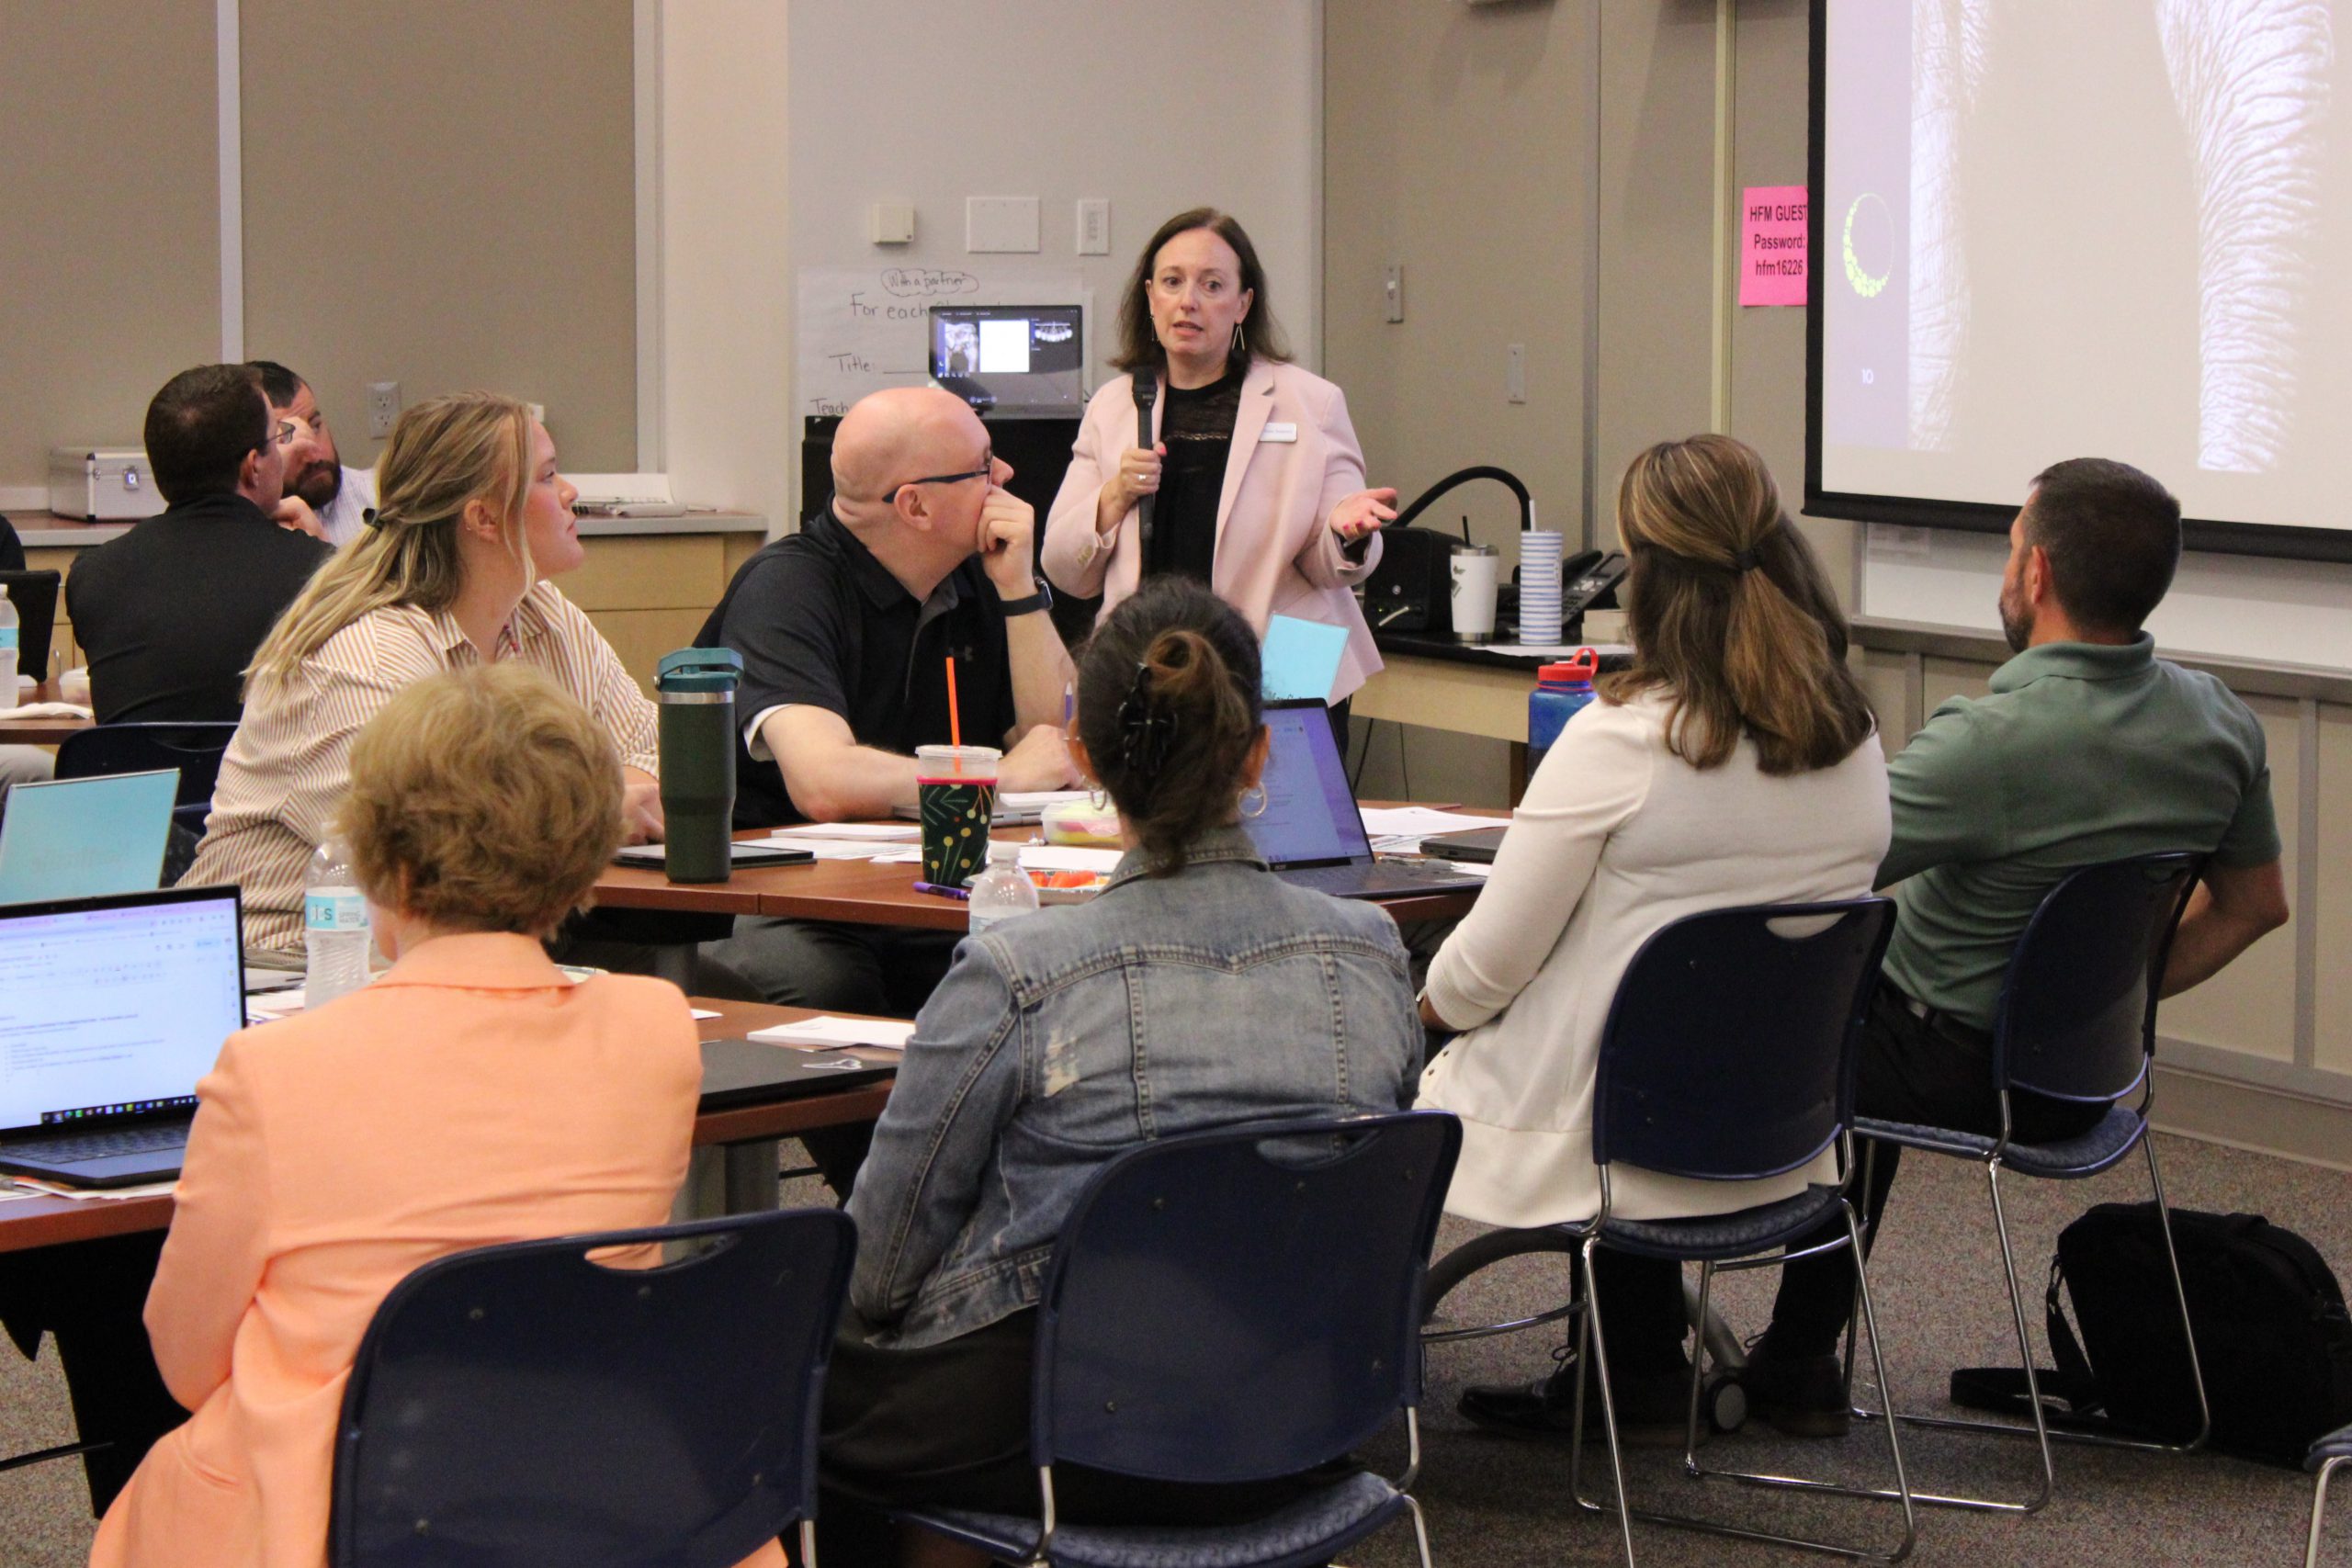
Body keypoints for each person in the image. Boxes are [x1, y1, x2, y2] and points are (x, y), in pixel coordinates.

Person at [89, 662, 775, 1568]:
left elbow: (184, 1364)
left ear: (384, 856)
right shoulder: (653, 1036)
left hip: (336, 1511)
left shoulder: (271, 1070)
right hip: (596, 1488)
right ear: (580, 852)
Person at [818, 577, 1423, 1563]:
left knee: (782, 1376)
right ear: (1260, 750)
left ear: (1087, 762)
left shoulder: (1019, 975)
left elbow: (878, 1271)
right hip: (1308, 1407)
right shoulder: (1371, 953)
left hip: (1074, 1427)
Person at [1743, 457, 2289, 1437]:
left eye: (2007, 549)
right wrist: (2113, 995)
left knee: (1704, 1023)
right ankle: (1789, 1361)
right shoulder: (2220, 723)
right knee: (1857, 1034)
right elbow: (2255, 905)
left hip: (1948, 1067)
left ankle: (1673, 1360)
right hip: (2087, 1078)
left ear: (2035, 576)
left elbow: (1797, 872)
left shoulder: (1990, 741)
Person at [1417, 434, 1891, 1442]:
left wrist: (1411, 1004)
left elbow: (1481, 974)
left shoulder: (1622, 741)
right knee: (1640, 1015)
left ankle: (1347, 1376)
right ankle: (1632, 1369)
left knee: (1415, 1027)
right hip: (1786, 1136)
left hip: (1614, 1138)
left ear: (1647, 580)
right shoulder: (1851, 736)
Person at [184, 390, 664, 954]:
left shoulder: (541, 610)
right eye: (547, 476)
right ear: (482, 518)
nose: (569, 493)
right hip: (285, 967)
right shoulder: (365, 657)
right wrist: (600, 810)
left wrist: (578, 811)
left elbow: (655, 756)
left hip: (449, 957)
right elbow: (444, 865)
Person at [698, 384, 1077, 1017]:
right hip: (791, 895)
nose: (1007, 475)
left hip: (932, 879)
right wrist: (994, 777)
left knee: (1055, 972)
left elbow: (1053, 742)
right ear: (916, 506)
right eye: (985, 466)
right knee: (829, 984)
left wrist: (1017, 589)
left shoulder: (974, 576)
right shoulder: (787, 588)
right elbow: (823, 780)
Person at [1041, 207, 1396, 715]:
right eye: (1172, 282)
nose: (1188, 302)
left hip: (1286, 659)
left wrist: (1345, 535)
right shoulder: (1114, 405)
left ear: (1243, 303)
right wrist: (1115, 496)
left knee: (1284, 796)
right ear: (1149, 297)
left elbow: (1332, 569)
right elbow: (1063, 568)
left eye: (1212, 285)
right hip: (1147, 667)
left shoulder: (1311, 403)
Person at [63, 365, 334, 725]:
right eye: (277, 440)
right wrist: (331, 559)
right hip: (266, 782)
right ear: (253, 466)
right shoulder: (315, 574)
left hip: (142, 781)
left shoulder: (93, 577)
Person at [251, 359, 379, 547]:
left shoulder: (381, 497)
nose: (314, 455)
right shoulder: (237, 526)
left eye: (315, 425)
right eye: (285, 437)